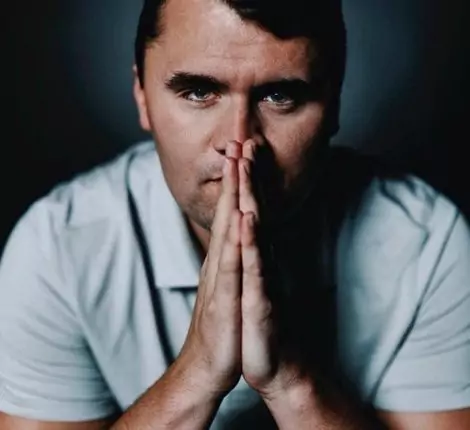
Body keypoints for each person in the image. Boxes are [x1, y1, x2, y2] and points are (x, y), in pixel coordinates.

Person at [1, 0, 470, 428]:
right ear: (141, 93)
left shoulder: (426, 245)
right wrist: (199, 373)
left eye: (280, 96)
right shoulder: (57, 250)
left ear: (334, 103)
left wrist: (289, 378)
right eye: (198, 92)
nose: (238, 141)